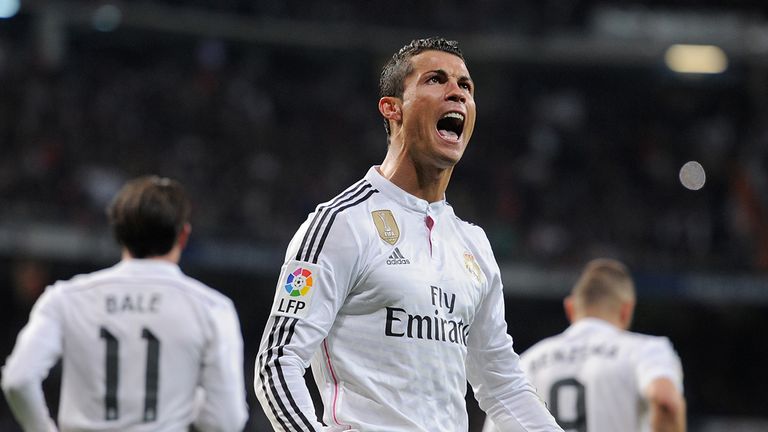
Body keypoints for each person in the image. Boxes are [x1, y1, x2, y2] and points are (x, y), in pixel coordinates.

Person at [254, 37, 562, 431]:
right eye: (437, 80)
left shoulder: (473, 245)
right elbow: (278, 360)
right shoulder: (341, 224)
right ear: (392, 108)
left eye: (466, 86)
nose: (457, 92)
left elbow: (503, 387)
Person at [1, 175, 248, 432]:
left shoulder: (65, 297)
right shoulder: (212, 308)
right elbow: (227, 420)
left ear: (117, 232)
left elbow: (18, 379)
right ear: (183, 235)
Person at [482, 258, 686, 432]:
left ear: (570, 308)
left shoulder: (526, 363)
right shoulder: (644, 351)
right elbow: (665, 399)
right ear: (626, 310)